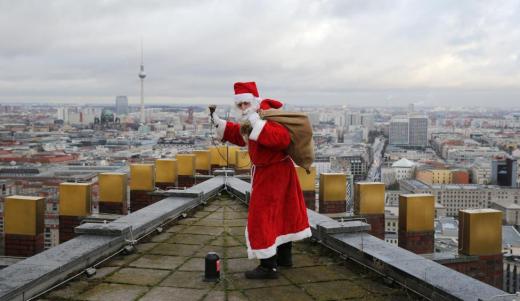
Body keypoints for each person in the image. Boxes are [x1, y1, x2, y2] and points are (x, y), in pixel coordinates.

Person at [211, 81, 311, 279]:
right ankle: (284, 258)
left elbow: (280, 139)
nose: (242, 108)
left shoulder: (265, 116)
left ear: (253, 101)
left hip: (273, 173)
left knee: (262, 216)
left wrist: (257, 122)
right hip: (276, 172)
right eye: (239, 105)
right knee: (282, 213)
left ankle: (268, 266)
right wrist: (220, 124)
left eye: (245, 104)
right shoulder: (255, 116)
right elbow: (242, 136)